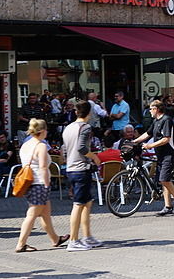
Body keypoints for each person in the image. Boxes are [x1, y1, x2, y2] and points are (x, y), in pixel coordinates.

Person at [15, 119, 69, 252]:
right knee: (32, 214)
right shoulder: (41, 146)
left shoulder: (25, 145)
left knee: (45, 213)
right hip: (39, 182)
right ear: (43, 131)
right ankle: (21, 244)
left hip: (29, 183)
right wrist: (46, 184)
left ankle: (55, 239)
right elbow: (43, 167)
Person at [62, 100, 102, 252]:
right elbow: (81, 148)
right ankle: (73, 240)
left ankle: (87, 236)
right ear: (89, 114)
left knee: (87, 202)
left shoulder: (68, 128)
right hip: (81, 169)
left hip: (71, 168)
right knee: (78, 205)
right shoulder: (85, 127)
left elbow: (65, 149)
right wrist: (94, 157)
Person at [133, 99, 174, 216]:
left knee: (163, 179)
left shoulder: (167, 120)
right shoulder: (156, 121)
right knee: (163, 180)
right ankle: (167, 206)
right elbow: (147, 134)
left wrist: (150, 145)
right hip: (161, 155)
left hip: (169, 154)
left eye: (150, 109)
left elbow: (166, 139)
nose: (149, 111)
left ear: (155, 109)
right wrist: (134, 141)